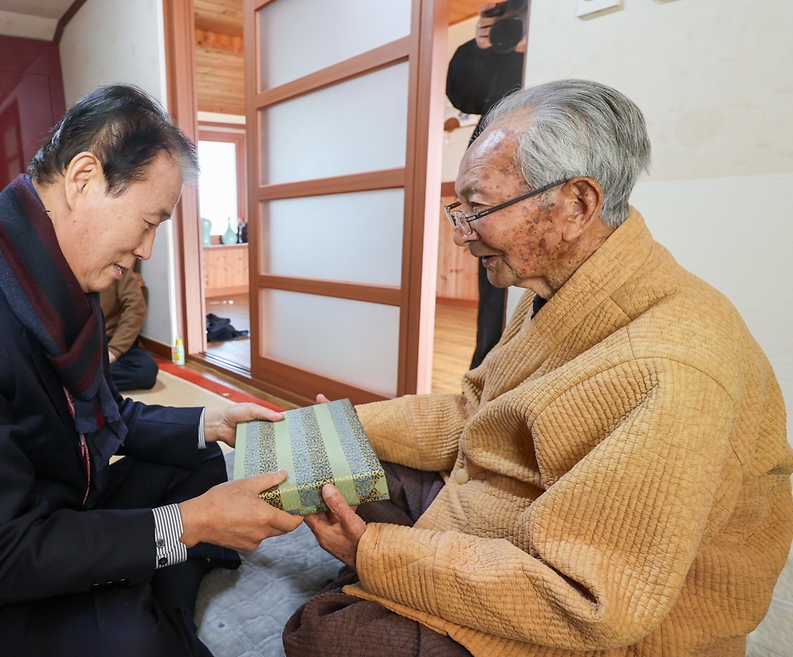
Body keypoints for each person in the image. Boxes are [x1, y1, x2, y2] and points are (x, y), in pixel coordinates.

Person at [284, 79, 793, 657]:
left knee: (322, 631)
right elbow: (474, 412)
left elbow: (591, 601)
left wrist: (371, 555)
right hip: (507, 512)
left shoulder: (675, 369)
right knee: (333, 460)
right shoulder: (554, 287)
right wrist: (337, 427)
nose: (461, 234)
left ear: (576, 205)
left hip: (604, 616)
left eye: (477, 210)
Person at [0, 85, 303, 657]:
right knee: (135, 640)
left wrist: (213, 420)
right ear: (83, 179)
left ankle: (129, 595)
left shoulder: (52, 281)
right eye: (149, 221)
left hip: (58, 507)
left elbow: (100, 413)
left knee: (201, 461)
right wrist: (189, 525)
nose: (149, 249)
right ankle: (136, 606)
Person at [447, 1, 528, 369]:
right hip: (492, 163)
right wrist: (481, 49)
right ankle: (484, 366)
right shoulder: (486, 50)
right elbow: (464, 97)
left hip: (537, 165)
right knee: (491, 271)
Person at [101, 268, 160, 391]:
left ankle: (81, 382)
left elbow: (135, 309)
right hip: (79, 345)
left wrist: (113, 350)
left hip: (112, 341)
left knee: (146, 370)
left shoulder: (118, 267)